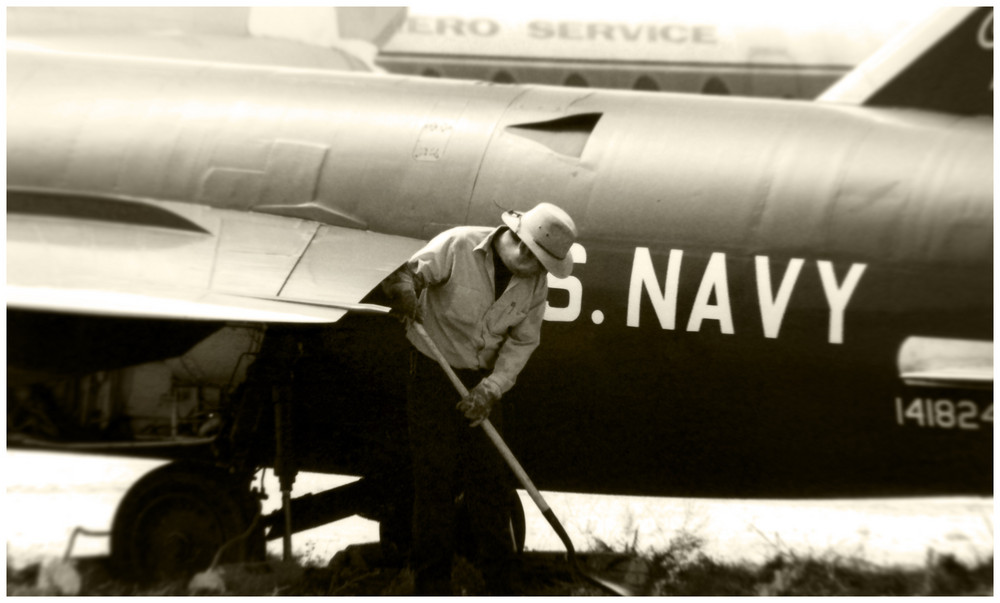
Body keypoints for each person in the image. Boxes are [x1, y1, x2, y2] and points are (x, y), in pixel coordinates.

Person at [382, 202, 578, 595]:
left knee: (490, 488)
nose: (535, 268)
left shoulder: (536, 285)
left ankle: (501, 586)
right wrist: (405, 289)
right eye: (534, 257)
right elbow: (407, 276)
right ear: (520, 243)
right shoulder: (457, 245)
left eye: (544, 265)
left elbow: (522, 343)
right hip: (433, 374)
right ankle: (430, 586)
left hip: (483, 386)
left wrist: (489, 390)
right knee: (434, 485)